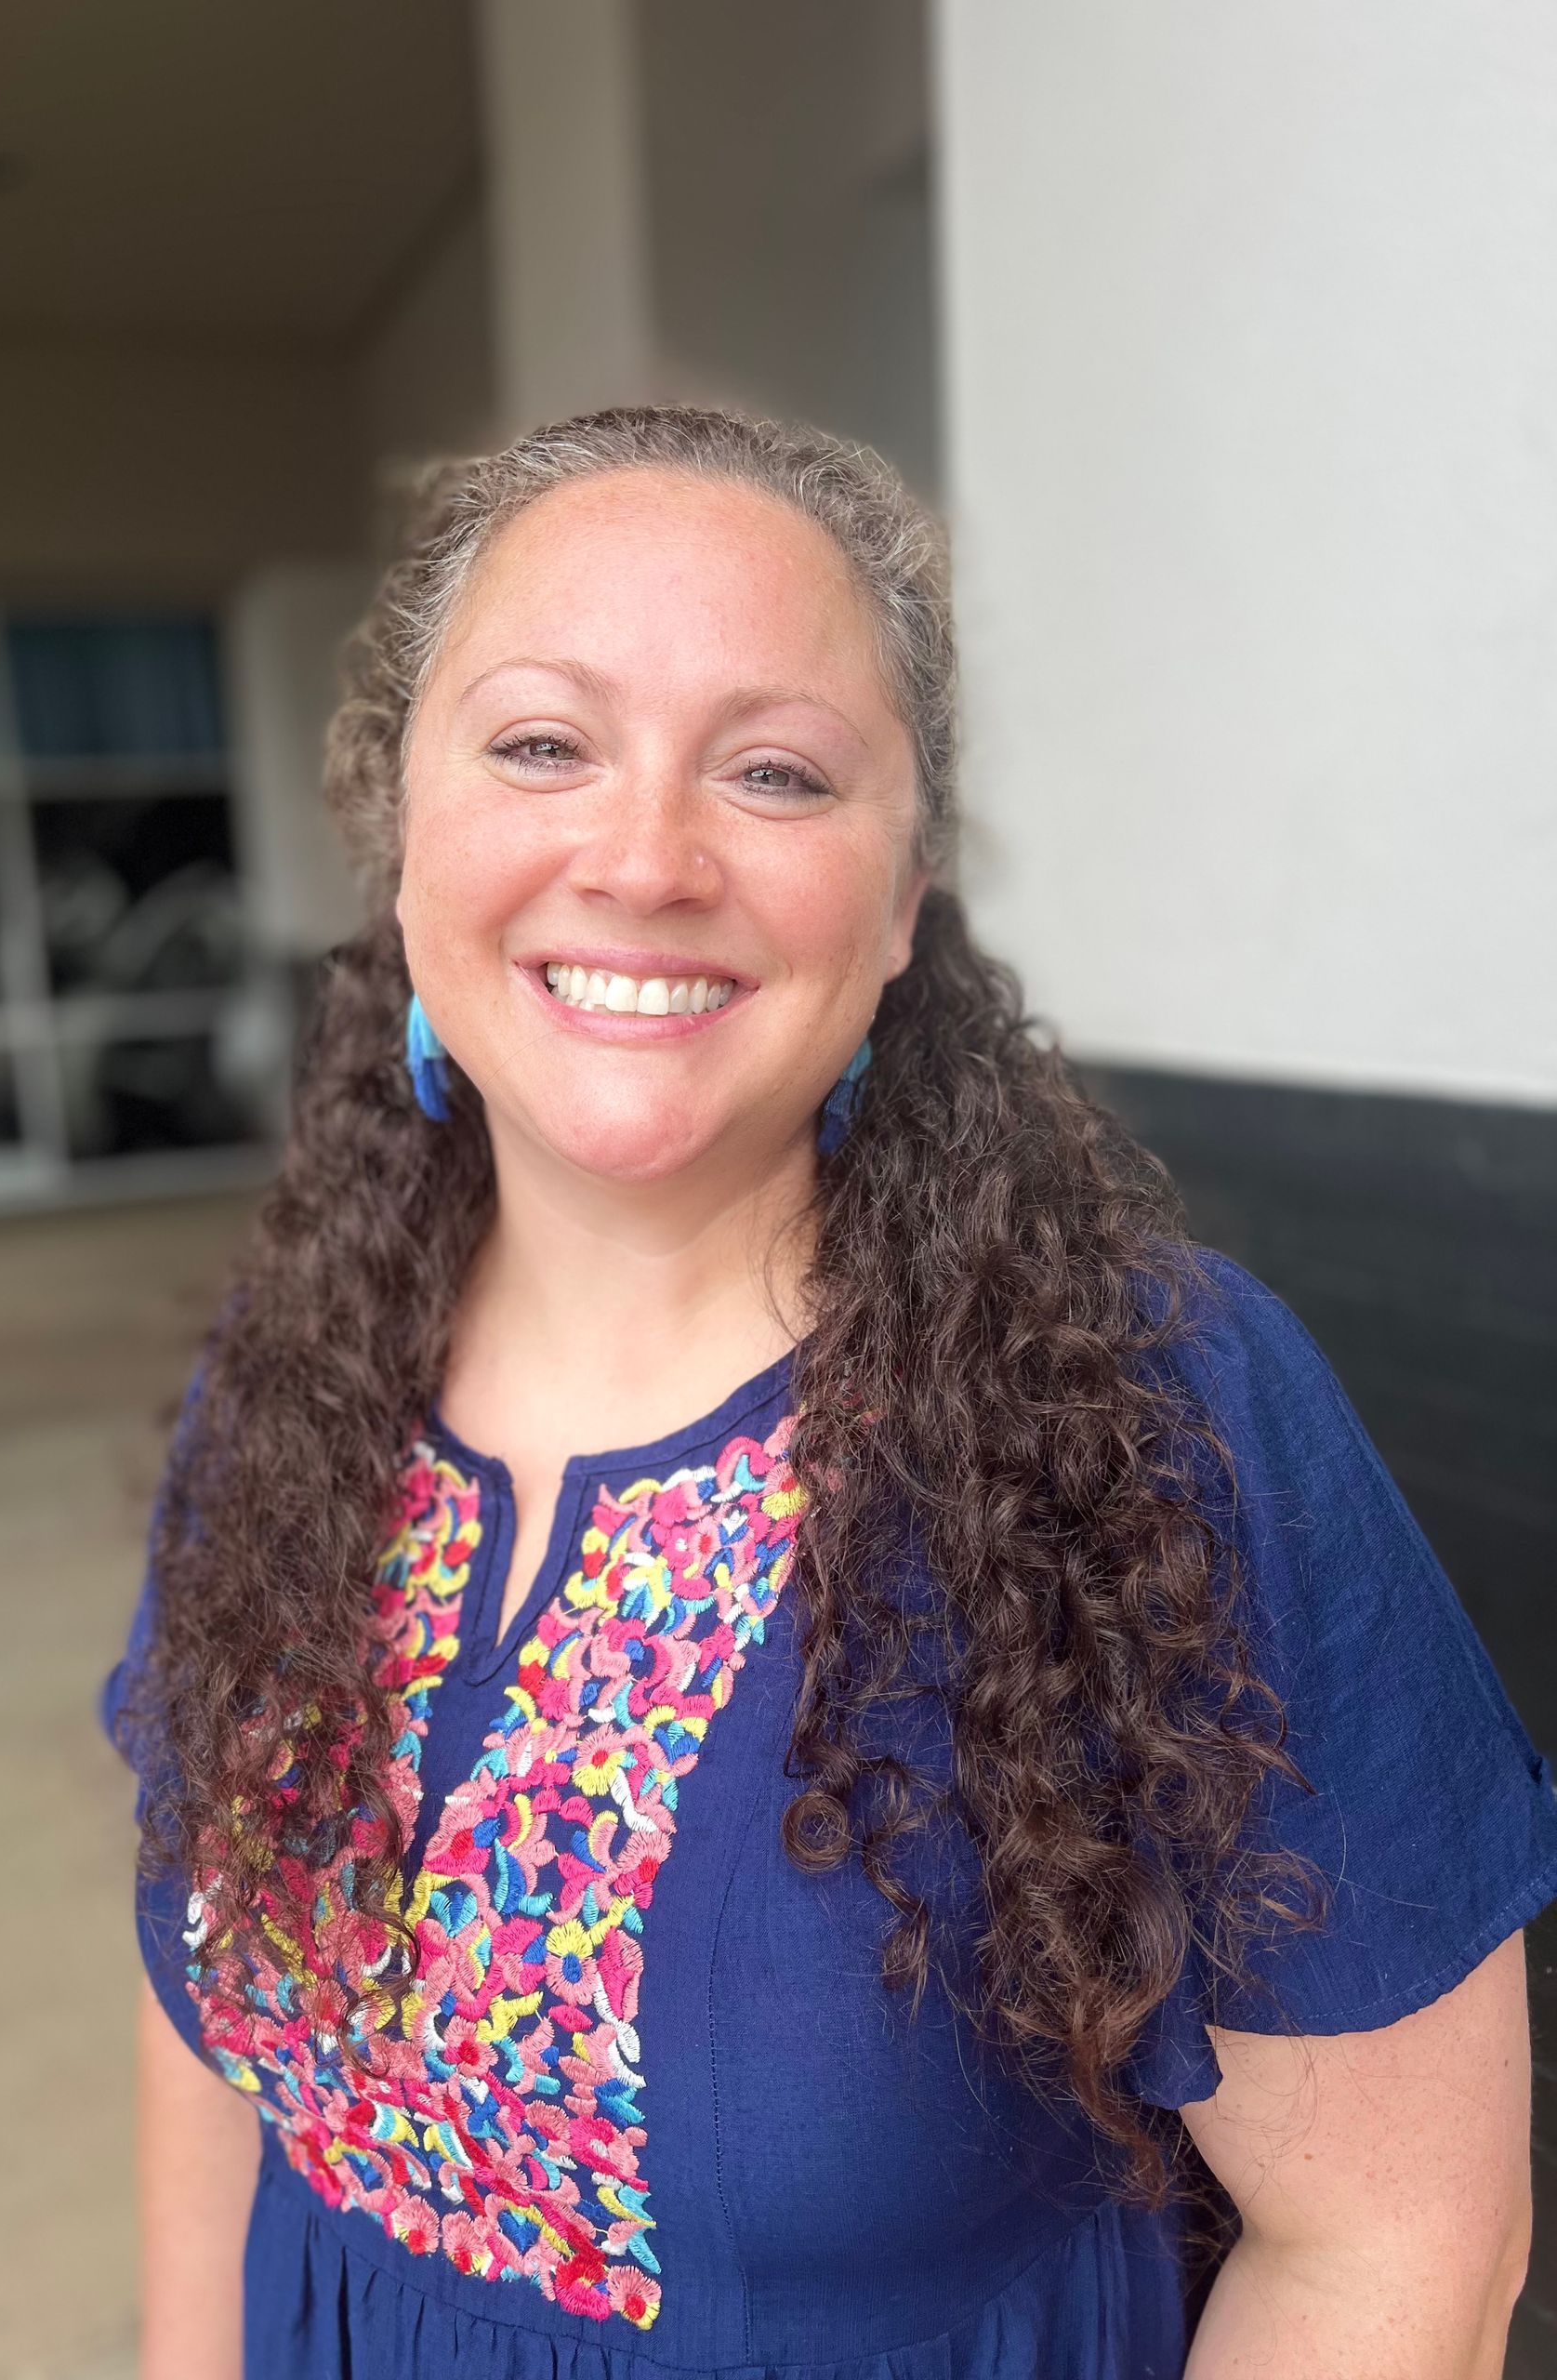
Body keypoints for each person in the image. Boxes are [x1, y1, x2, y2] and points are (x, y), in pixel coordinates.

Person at [101, 403, 1557, 2380]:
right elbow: (208, 2061)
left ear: (900, 900)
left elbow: (1397, 2242)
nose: (641, 855)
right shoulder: (291, 1390)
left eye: (776, 771)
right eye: (541, 740)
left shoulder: (1149, 1413)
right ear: (404, 825)